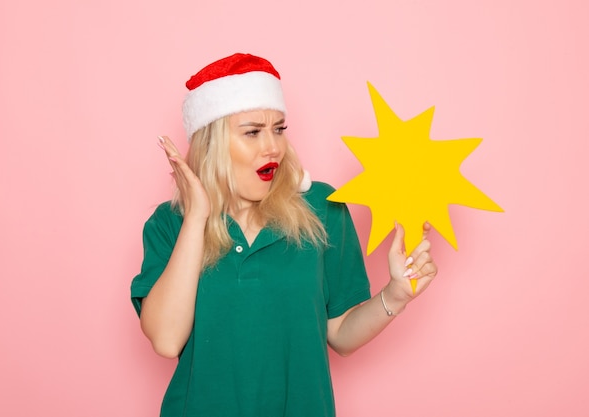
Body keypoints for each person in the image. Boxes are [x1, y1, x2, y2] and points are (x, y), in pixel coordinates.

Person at [131, 53, 437, 417]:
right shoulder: (171, 224)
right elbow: (166, 341)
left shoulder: (323, 208)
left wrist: (396, 295)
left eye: (278, 129)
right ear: (211, 144)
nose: (272, 146)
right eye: (252, 131)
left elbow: (340, 333)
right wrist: (197, 216)